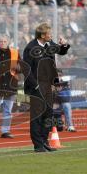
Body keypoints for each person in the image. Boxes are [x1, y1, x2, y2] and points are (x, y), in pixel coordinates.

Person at [23, 22, 70, 152]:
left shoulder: (50, 44)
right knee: (37, 116)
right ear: (42, 35)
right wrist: (36, 85)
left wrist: (64, 45)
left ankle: (44, 141)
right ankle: (38, 145)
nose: (51, 36)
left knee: (48, 115)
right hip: (36, 87)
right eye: (49, 34)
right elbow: (27, 70)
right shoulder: (30, 48)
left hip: (49, 86)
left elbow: (62, 51)